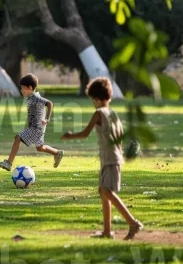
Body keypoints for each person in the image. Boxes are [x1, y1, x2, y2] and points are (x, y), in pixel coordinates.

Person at [61, 77, 143, 240]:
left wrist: (69, 136)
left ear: (96, 99)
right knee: (103, 191)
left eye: (93, 100)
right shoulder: (113, 113)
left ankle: (133, 223)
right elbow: (120, 136)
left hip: (110, 159)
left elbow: (85, 134)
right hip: (113, 157)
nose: (93, 103)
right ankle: (107, 231)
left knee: (107, 191)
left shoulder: (99, 113)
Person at [0, 73, 64, 171]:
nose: (21, 90)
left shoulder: (36, 98)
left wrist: (47, 119)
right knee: (40, 147)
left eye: (23, 88)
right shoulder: (31, 98)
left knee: (18, 138)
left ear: (30, 87)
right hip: (38, 127)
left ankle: (9, 163)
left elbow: (49, 103)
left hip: (36, 127)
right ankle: (57, 153)